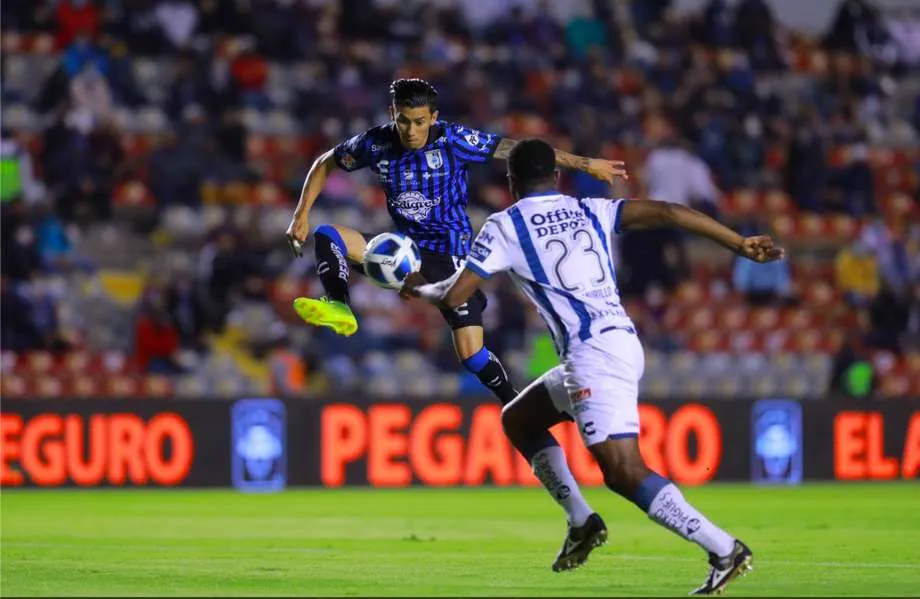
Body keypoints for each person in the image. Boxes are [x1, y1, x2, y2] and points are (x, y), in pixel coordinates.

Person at [403, 139, 784, 594]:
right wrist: (738, 243)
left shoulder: (505, 226)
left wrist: (420, 289)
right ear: (556, 178)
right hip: (619, 339)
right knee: (520, 419)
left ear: (510, 182)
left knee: (623, 471)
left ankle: (723, 548)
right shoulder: (590, 209)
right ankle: (582, 521)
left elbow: (456, 296)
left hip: (592, 356)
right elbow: (666, 211)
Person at [284, 78, 626, 408]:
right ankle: (339, 305)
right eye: (404, 121)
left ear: (433, 117)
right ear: (393, 114)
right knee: (329, 235)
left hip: (449, 258)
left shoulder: (454, 139)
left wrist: (584, 164)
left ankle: (514, 402)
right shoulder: (376, 143)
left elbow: (518, 151)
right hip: (403, 250)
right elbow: (326, 161)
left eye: (419, 122)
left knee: (472, 354)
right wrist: (301, 213)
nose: (411, 131)